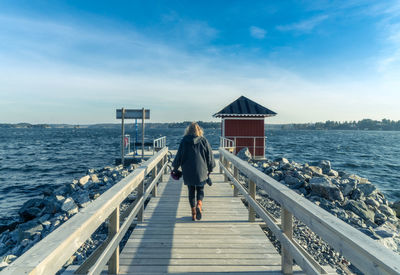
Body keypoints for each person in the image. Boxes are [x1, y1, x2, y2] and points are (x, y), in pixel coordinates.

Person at [172, 122, 215, 221]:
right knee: (200, 189)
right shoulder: (204, 141)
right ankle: (199, 204)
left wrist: (175, 168)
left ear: (188, 130)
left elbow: (179, 156)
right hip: (202, 170)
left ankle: (193, 213)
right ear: (199, 130)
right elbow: (209, 156)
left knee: (191, 191)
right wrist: (210, 168)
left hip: (188, 170)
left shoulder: (184, 141)